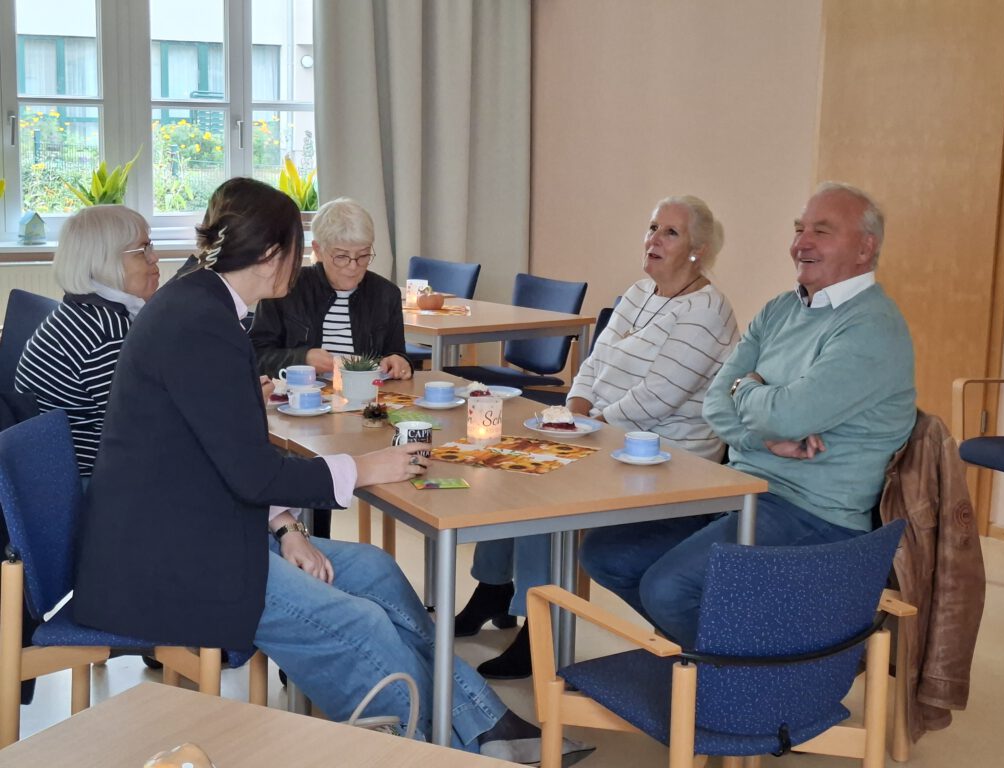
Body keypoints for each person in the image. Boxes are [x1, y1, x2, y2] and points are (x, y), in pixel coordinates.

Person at [72, 178, 590, 764]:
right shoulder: (200, 322)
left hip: (204, 527)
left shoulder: (207, 305)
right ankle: (426, 750)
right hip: (170, 558)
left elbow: (228, 457)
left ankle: (482, 727)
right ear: (273, 254)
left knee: (373, 571)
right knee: (363, 624)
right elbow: (250, 472)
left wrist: (288, 529)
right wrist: (362, 468)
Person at [580, 181, 917, 647]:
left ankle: (760, 682)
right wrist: (763, 428)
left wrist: (751, 389)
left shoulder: (871, 328)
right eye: (799, 229)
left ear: (866, 247)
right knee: (607, 553)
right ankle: (723, 659)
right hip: (741, 486)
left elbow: (783, 413)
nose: (802, 243)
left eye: (822, 231)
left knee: (670, 588)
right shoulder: (782, 308)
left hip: (812, 513)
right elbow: (718, 403)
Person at [457, 195, 739, 678]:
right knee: (511, 465)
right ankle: (494, 587)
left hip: (666, 457)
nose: (654, 239)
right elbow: (592, 364)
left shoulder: (707, 312)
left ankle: (539, 629)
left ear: (699, 249)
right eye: (653, 227)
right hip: (605, 434)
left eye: (670, 232)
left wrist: (583, 428)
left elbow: (658, 398)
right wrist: (575, 410)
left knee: (545, 487)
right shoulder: (639, 293)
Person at [15, 204, 160, 477]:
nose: (155, 258)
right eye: (143, 250)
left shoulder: (85, 311)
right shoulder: (106, 335)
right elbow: (145, 427)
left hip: (60, 470)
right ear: (105, 261)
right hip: (90, 482)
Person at [249, 196, 412, 380]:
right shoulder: (284, 288)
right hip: (300, 399)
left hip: (367, 399)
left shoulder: (385, 294)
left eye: (363, 255)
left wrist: (398, 361)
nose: (353, 266)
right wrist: (302, 358)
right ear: (318, 250)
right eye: (341, 256)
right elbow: (255, 356)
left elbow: (396, 354)